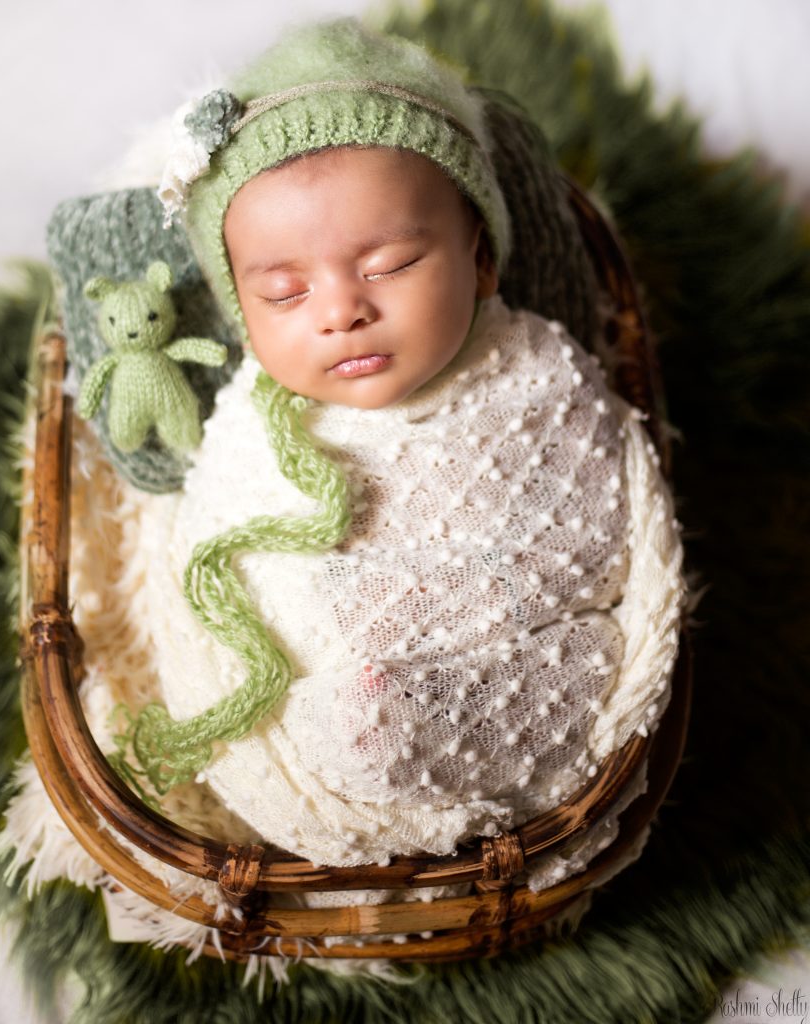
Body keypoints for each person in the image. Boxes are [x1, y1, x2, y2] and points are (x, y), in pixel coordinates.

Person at [109, 16, 684, 872]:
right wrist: (341, 627)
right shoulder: (252, 420)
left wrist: (438, 606)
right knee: (337, 706)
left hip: (522, 670)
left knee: (561, 668)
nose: (342, 310)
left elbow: (596, 542)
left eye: (388, 265)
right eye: (285, 291)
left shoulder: (535, 373)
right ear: (242, 314)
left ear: (480, 262)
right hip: (331, 705)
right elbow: (215, 562)